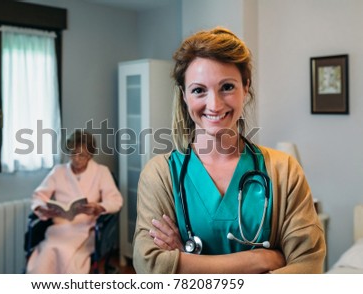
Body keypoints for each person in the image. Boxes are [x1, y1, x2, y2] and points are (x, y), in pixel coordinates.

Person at [132, 27, 325, 274]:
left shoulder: (283, 171)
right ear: (184, 96)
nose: (214, 104)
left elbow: (307, 266)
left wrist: (185, 263)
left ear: (246, 88)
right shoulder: (160, 174)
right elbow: (150, 266)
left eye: (227, 87)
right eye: (198, 90)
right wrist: (260, 260)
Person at [26, 130, 123, 274]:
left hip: (86, 229)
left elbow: (116, 200)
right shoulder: (58, 171)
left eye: (82, 155)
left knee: (68, 254)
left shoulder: (101, 172)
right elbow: (39, 196)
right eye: (73, 153)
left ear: (90, 155)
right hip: (60, 228)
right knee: (46, 253)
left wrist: (99, 207)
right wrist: (42, 208)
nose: (76, 159)